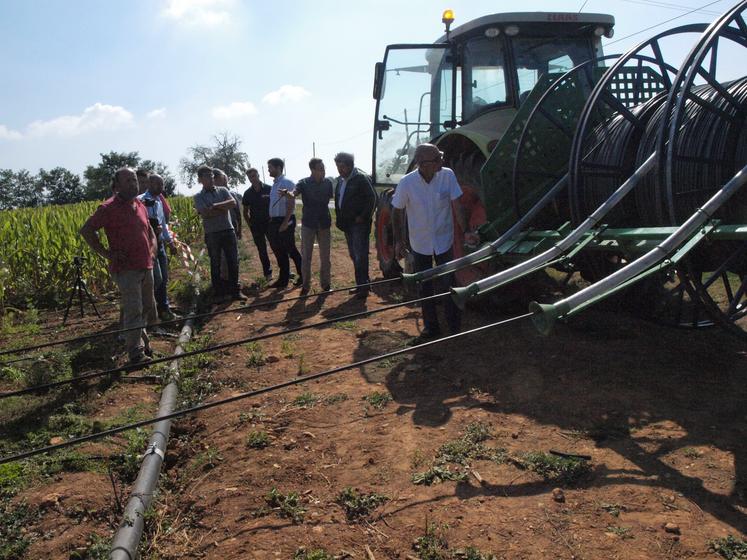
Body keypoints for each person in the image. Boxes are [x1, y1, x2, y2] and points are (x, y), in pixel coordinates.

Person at [392, 143, 478, 338]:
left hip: (443, 239)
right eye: (437, 159)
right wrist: (399, 241)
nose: (442, 161)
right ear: (423, 164)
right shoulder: (407, 183)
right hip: (420, 242)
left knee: (449, 282)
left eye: (440, 157)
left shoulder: (447, 175)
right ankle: (431, 327)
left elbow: (457, 205)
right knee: (425, 285)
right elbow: (397, 211)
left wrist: (466, 231)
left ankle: (454, 325)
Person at [80, 168, 158, 364]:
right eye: (128, 181)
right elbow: (87, 230)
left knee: (148, 307)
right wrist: (107, 254)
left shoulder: (139, 204)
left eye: (134, 180)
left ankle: (144, 343)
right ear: (117, 186)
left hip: (145, 265)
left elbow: (150, 231)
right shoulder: (108, 208)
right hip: (126, 269)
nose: (134, 183)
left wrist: (152, 250)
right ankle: (135, 353)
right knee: (133, 310)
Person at [192, 165, 244, 303]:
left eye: (212, 176)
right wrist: (222, 208)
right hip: (212, 233)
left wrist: (214, 206)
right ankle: (219, 293)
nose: (211, 178)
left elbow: (232, 203)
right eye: (207, 176)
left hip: (228, 230)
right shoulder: (198, 196)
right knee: (215, 263)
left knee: (233, 261)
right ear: (200, 180)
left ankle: (235, 291)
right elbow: (205, 214)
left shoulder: (223, 190)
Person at [281, 158, 333, 295]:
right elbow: (294, 193)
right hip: (308, 225)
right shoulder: (303, 183)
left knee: (325, 256)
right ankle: (305, 286)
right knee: (306, 257)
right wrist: (288, 194)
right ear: (313, 170)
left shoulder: (328, 183)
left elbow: (332, 198)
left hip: (324, 224)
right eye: (320, 169)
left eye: (324, 168)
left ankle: (326, 285)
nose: (323, 171)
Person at [333, 152, 377, 298]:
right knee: (354, 254)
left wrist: (363, 217)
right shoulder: (341, 181)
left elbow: (372, 199)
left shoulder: (361, 178)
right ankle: (363, 284)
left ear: (350, 165)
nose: (339, 169)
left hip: (359, 224)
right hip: (347, 224)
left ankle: (363, 288)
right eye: (338, 166)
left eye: (342, 166)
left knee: (360, 255)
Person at [138, 173, 179, 321]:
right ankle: (148, 310)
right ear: (149, 184)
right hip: (147, 246)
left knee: (164, 279)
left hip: (160, 245)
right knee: (156, 279)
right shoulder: (140, 201)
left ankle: (163, 308)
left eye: (162, 184)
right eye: (157, 184)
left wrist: (171, 243)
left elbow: (164, 225)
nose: (161, 187)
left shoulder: (159, 202)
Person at [266, 158, 303, 289]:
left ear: (278, 167)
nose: (269, 170)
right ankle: (283, 280)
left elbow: (291, 203)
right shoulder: (275, 185)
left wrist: (285, 222)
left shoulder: (286, 182)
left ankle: (303, 276)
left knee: (291, 249)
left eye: (270, 167)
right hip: (275, 221)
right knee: (279, 251)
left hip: (285, 220)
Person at [242, 168, 273, 280]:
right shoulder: (247, 194)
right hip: (256, 226)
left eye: (254, 175)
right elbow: (245, 212)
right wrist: (250, 224)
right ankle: (268, 273)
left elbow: (275, 205)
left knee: (277, 247)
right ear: (248, 179)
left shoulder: (269, 189)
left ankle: (286, 271)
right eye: (250, 177)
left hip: (270, 224)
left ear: (258, 175)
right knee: (262, 250)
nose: (253, 178)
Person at [213, 168, 243, 284]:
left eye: (225, 178)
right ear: (215, 179)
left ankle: (233, 280)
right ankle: (224, 281)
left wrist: (239, 229)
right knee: (221, 258)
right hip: (217, 231)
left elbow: (238, 213)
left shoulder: (232, 194)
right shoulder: (212, 194)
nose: (226, 180)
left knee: (234, 256)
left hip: (232, 230)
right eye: (222, 177)